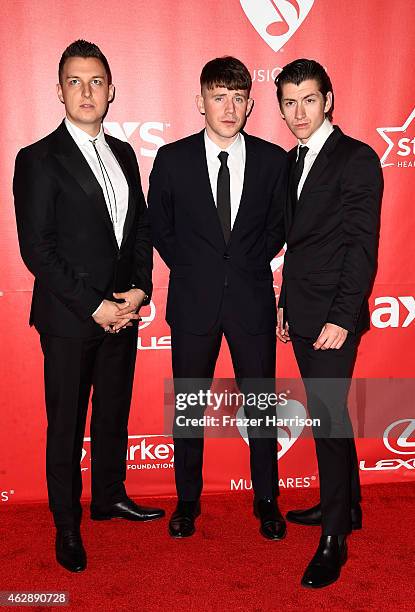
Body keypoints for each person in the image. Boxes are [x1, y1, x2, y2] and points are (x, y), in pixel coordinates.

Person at [13, 39, 164, 573]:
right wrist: (94, 305)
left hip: (123, 313)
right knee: (66, 424)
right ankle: (66, 525)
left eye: (96, 81)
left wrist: (140, 290)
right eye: (75, 81)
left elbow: (140, 226)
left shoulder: (124, 153)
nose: (86, 91)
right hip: (71, 318)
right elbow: (39, 249)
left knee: (112, 417)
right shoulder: (37, 159)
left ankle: (108, 497)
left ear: (111, 91)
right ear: (58, 91)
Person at [148, 56, 287, 540]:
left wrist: (244, 264)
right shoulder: (172, 158)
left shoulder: (274, 160)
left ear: (249, 104)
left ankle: (267, 500)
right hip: (193, 301)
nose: (228, 108)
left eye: (237, 98)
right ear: (200, 101)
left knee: (261, 406)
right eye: (218, 96)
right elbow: (159, 228)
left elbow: (278, 229)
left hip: (250, 299)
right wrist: (194, 267)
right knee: (188, 405)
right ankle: (187, 501)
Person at [275, 58, 383, 588]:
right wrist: (285, 304)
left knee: (326, 418)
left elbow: (362, 247)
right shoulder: (293, 162)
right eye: (289, 103)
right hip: (302, 311)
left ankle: (334, 537)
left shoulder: (356, 158)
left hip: (334, 318)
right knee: (329, 414)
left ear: (329, 100)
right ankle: (350, 505)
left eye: (308, 100)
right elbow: (299, 246)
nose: (298, 112)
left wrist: (343, 316)